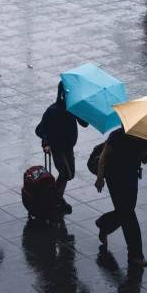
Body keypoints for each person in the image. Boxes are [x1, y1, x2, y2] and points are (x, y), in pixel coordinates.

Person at [95, 128, 147, 267]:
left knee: (126, 212)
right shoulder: (116, 135)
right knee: (128, 214)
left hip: (131, 178)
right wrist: (100, 177)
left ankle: (104, 223)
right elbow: (103, 156)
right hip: (114, 178)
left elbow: (144, 159)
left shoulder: (143, 137)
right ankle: (135, 255)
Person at [36, 82, 88, 214]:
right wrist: (46, 144)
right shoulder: (52, 110)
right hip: (57, 147)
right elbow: (41, 129)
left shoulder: (73, 109)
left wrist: (82, 109)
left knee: (70, 174)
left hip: (68, 146)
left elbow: (84, 123)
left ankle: (56, 196)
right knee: (66, 173)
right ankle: (55, 199)